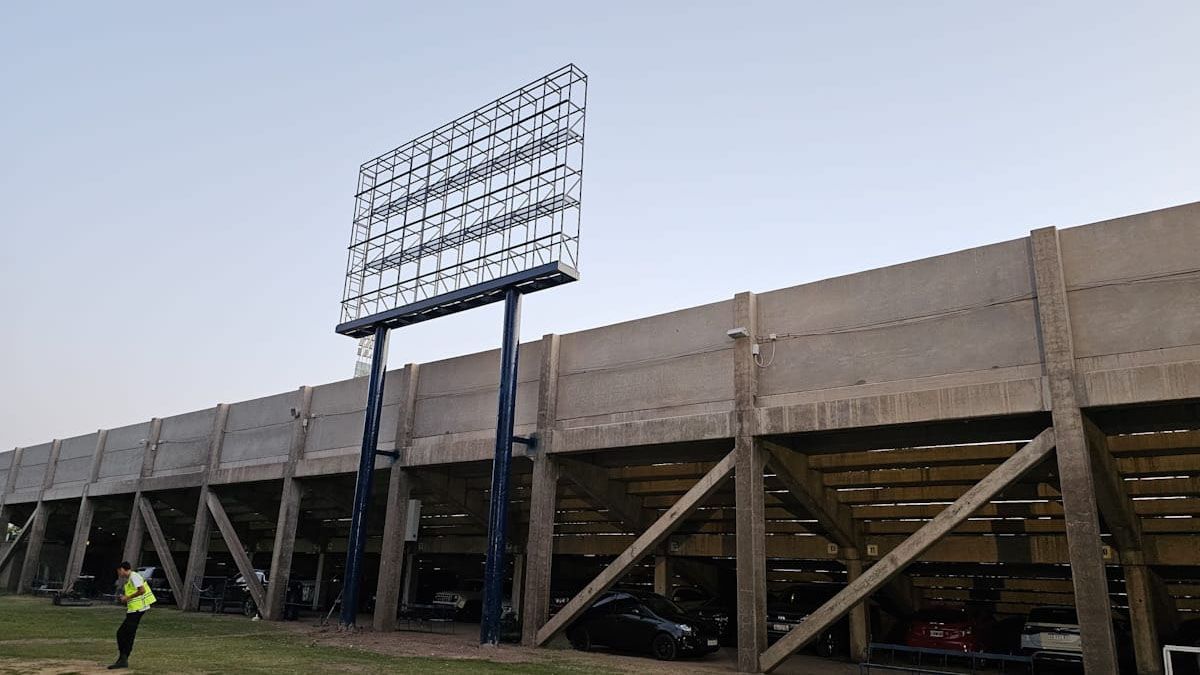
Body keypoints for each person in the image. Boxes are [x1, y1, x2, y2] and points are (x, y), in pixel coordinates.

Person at [108, 561, 156, 670]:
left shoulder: (134, 577)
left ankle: (123, 659)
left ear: (122, 569)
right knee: (126, 634)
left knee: (123, 633)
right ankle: (123, 658)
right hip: (135, 609)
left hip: (138, 609)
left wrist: (127, 597)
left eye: (119, 571)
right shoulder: (131, 578)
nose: (119, 574)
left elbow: (142, 590)